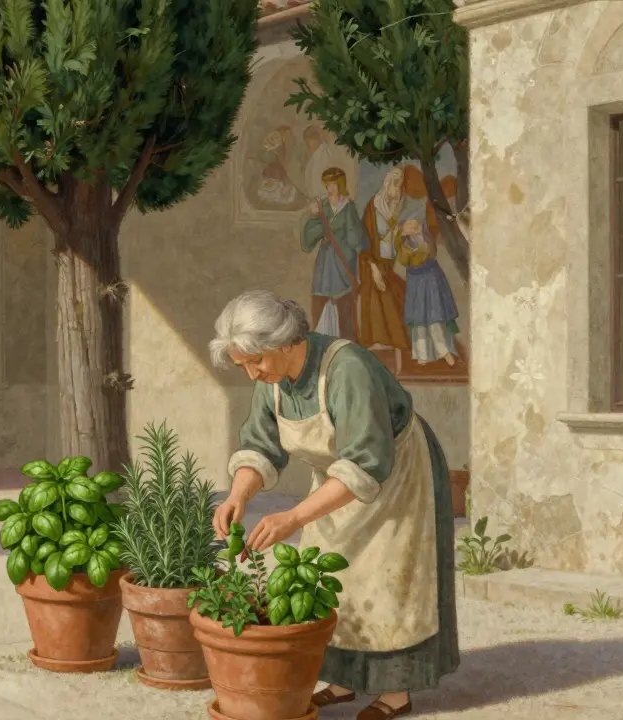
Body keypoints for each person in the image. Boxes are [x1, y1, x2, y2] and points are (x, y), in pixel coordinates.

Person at [208, 289, 459, 720]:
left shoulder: (348, 369)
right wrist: (238, 494)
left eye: (256, 362)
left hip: (396, 473)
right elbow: (261, 447)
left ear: (285, 343)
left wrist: (294, 516)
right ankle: (342, 682)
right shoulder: (274, 382)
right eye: (243, 365)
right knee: (329, 568)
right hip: (336, 480)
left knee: (387, 577)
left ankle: (395, 692)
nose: (251, 374)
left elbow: (367, 461)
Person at [301, 167, 367, 341]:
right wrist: (315, 217)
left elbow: (355, 236)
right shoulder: (321, 206)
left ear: (341, 185)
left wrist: (358, 249)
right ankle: (320, 341)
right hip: (326, 261)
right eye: (328, 184)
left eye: (334, 184)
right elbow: (308, 239)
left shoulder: (348, 206)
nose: (331, 188)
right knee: (321, 299)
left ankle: (347, 343)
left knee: (344, 303)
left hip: (343, 259)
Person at [357, 167, 412, 357]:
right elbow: (364, 242)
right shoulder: (373, 207)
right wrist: (374, 268)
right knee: (380, 299)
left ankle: (393, 342)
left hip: (388, 262)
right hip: (371, 262)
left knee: (399, 295)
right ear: (387, 185)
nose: (398, 191)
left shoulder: (394, 208)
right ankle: (378, 342)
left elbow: (393, 238)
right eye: (395, 187)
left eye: (400, 187)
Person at [395, 217, 461, 366]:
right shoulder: (404, 243)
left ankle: (443, 351)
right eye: (409, 225)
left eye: (414, 224)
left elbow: (431, 252)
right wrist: (404, 238)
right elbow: (404, 260)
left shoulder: (426, 237)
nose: (412, 226)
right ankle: (422, 355)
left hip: (431, 278)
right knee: (419, 319)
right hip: (416, 281)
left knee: (434, 316)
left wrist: (421, 242)